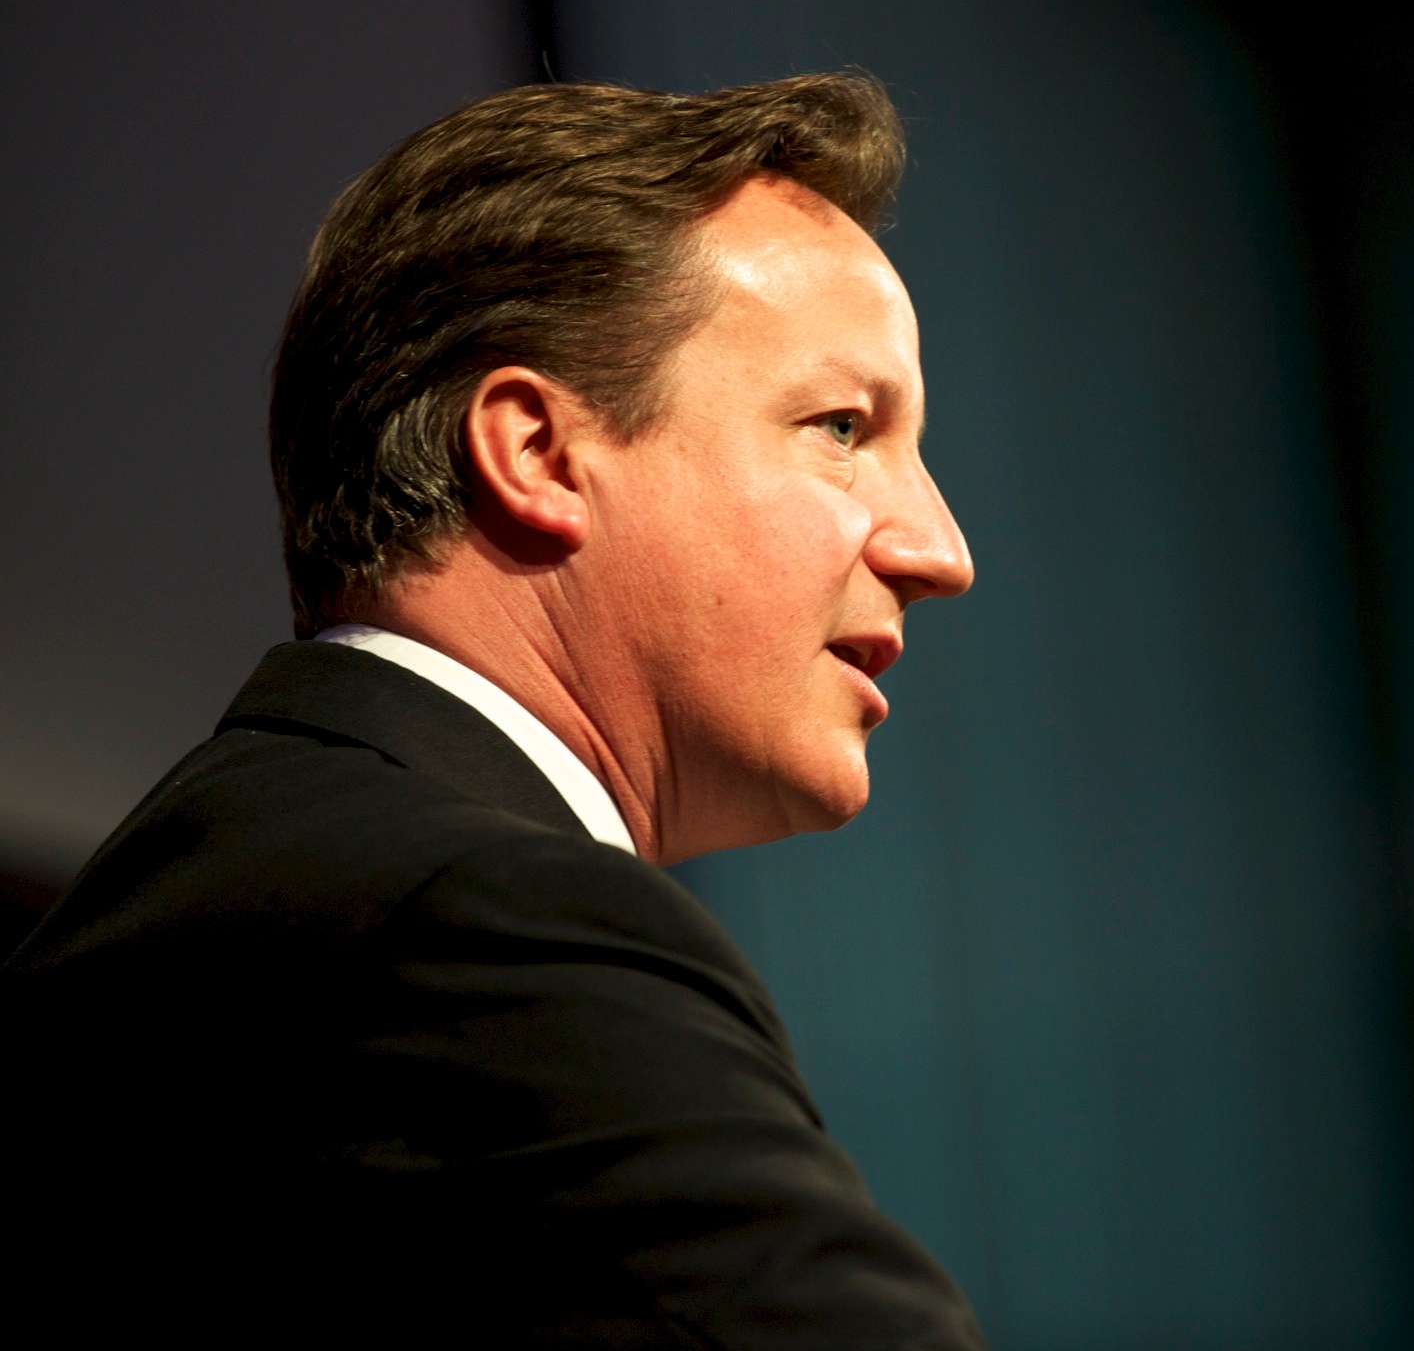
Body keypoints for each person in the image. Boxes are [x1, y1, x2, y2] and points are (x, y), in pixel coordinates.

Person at [0, 74, 983, 1348]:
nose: (940, 547)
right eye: (840, 425)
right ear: (534, 452)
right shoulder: (474, 920)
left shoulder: (236, 882)